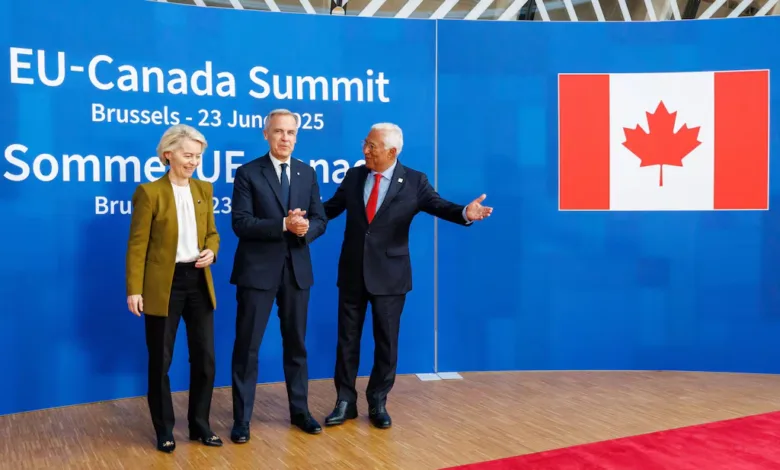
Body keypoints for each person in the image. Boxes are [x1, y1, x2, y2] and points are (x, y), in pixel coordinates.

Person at [322, 123, 492, 429]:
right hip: (352, 272)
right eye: (365, 143)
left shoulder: (414, 181)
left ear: (392, 151)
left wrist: (466, 213)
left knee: (386, 342)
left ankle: (377, 402)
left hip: (390, 276)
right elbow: (330, 208)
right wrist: (302, 218)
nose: (365, 151)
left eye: (372, 146)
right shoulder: (354, 175)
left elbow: (440, 206)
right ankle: (344, 402)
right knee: (347, 340)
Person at [229, 109, 328, 443]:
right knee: (247, 348)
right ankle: (241, 420)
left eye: (291, 132)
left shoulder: (307, 173)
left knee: (297, 346)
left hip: (297, 271)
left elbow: (320, 219)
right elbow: (240, 223)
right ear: (266, 134)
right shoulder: (247, 173)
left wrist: (304, 229)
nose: (285, 138)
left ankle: (300, 411)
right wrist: (283, 224)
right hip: (257, 272)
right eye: (279, 132)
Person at [125, 124, 222, 453]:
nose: (193, 161)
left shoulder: (205, 189)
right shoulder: (149, 193)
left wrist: (212, 249)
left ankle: (200, 425)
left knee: (206, 359)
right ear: (168, 154)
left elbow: (212, 233)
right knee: (161, 361)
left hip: (198, 281)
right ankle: (164, 429)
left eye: (198, 156)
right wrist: (134, 290)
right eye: (187, 154)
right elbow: (137, 245)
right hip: (162, 286)